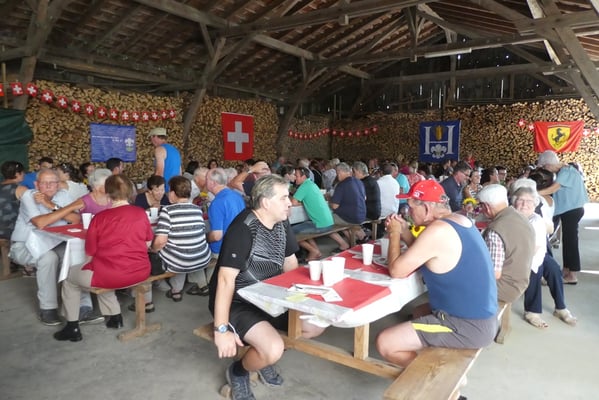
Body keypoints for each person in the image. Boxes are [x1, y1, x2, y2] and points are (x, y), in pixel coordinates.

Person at [209, 175, 324, 400]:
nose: (289, 203)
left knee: (314, 325)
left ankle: (261, 358)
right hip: (238, 301)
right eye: (283, 198)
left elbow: (290, 261)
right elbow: (225, 280)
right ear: (265, 203)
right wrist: (221, 330)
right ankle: (239, 371)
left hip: (269, 295)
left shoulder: (281, 222)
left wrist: (298, 298)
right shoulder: (244, 228)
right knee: (273, 348)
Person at [376, 180, 497, 368]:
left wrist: (394, 233)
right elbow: (426, 253)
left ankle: (436, 375)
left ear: (426, 208)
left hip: (466, 325)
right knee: (418, 312)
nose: (408, 213)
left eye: (411, 208)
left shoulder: (437, 231)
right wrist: (406, 231)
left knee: (386, 342)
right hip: (483, 315)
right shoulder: (460, 220)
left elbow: (397, 271)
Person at [53, 174, 153, 341]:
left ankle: (72, 327)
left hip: (111, 274)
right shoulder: (141, 213)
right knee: (102, 271)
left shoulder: (100, 218)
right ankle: (115, 317)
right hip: (140, 271)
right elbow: (148, 243)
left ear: (108, 193)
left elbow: (90, 252)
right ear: (130, 192)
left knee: (70, 279)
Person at [10, 168, 82, 325]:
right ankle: (48, 308)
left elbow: (76, 219)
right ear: (37, 184)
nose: (49, 186)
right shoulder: (29, 196)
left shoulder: (63, 195)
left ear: (58, 184)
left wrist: (51, 205)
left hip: (54, 242)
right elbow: (40, 222)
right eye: (44, 183)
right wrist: (63, 211)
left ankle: (83, 306)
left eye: (53, 182)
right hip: (25, 245)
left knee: (76, 254)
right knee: (48, 258)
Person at [510, 183, 577, 328]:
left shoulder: (537, 217)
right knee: (535, 270)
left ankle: (560, 307)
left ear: (535, 203)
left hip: (536, 252)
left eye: (529, 201)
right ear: (514, 202)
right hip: (517, 255)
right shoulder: (510, 217)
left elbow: (543, 238)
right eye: (521, 200)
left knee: (553, 268)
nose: (524, 204)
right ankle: (532, 311)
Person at [139, 176, 211, 308]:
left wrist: (152, 249)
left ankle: (147, 302)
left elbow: (160, 242)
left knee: (150, 255)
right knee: (180, 250)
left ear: (172, 193)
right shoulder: (197, 209)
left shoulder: (168, 211)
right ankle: (176, 291)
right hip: (201, 258)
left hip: (180, 261)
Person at [186, 168, 245, 296]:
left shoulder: (217, 203)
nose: (205, 182)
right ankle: (209, 283)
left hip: (221, 249)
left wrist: (203, 238)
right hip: (238, 245)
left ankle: (203, 285)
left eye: (206, 179)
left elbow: (217, 236)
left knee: (192, 250)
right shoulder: (237, 196)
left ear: (212, 183)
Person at [536, 150, 588, 284]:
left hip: (572, 210)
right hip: (567, 210)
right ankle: (566, 270)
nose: (545, 170)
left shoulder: (567, 171)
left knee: (571, 241)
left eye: (544, 167)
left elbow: (553, 189)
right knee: (567, 240)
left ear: (548, 164)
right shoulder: (563, 171)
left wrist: (532, 193)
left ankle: (573, 274)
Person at [478, 184, 535, 304]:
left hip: (503, 288)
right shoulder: (522, 218)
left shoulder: (496, 230)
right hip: (521, 282)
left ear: (486, 207)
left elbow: (493, 273)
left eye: (481, 206)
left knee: (455, 280)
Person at [291, 166, 349, 260]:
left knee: (291, 232)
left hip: (320, 224)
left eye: (296, 176)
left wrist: (299, 202)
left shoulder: (304, 186)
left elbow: (293, 202)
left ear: (303, 177)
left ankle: (314, 251)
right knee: (304, 226)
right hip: (328, 221)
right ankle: (316, 250)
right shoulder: (312, 184)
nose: (294, 177)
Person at [329, 162, 367, 241]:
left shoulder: (341, 185)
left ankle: (347, 243)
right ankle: (360, 237)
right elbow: (364, 198)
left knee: (326, 220)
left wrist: (329, 201)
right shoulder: (359, 182)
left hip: (350, 218)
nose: (337, 175)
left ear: (339, 172)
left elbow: (334, 206)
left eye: (337, 173)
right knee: (345, 217)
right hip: (362, 215)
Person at [149, 127, 182, 192]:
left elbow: (159, 172)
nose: (151, 141)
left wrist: (155, 189)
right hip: (175, 187)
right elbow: (180, 172)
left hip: (164, 188)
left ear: (155, 136)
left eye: (151, 137)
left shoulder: (159, 149)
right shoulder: (175, 150)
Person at [1, 161, 27, 240]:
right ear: (17, 174)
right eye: (23, 172)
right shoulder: (21, 189)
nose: (24, 174)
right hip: (10, 231)